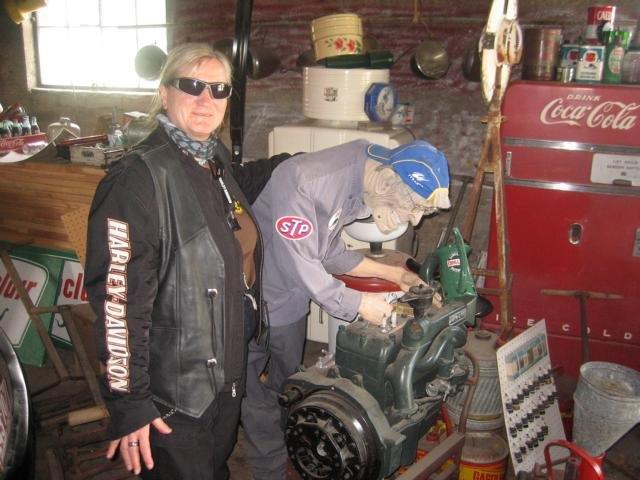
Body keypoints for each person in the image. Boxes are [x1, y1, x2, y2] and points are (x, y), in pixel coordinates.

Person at [84, 42, 291, 479]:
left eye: (219, 89)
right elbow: (117, 303)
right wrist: (130, 403)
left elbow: (240, 186)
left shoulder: (211, 157)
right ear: (164, 93)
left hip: (225, 375)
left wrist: (298, 163)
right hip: (175, 396)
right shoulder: (136, 180)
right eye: (192, 85)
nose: (206, 99)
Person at [242, 139, 452, 479]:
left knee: (286, 386)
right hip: (255, 299)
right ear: (387, 181)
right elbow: (302, 264)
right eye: (412, 207)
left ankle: (290, 442)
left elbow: (330, 253)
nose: (414, 220)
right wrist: (360, 304)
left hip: (292, 301)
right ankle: (268, 470)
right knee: (254, 399)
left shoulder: (358, 180)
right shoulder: (304, 181)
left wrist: (395, 275)